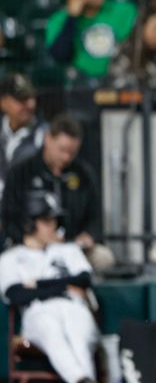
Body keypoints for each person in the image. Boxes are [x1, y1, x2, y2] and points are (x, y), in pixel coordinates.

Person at [0, 190, 105, 383]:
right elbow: (15, 294)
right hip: (39, 312)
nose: (53, 226)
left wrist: (38, 284)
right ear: (29, 224)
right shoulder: (11, 258)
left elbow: (85, 279)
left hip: (74, 306)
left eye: (54, 220)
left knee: (79, 335)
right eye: (46, 220)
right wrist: (64, 286)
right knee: (52, 330)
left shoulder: (67, 250)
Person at [1, 115, 114, 271]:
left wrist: (89, 236)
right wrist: (26, 239)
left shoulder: (83, 174)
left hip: (72, 246)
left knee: (103, 258)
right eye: (62, 150)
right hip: (29, 247)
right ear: (48, 139)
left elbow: (95, 216)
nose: (66, 157)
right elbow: (8, 216)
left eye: (72, 152)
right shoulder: (22, 171)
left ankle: (82, 292)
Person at [46, 0, 137, 79]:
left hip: (122, 79)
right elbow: (60, 55)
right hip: (82, 85)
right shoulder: (58, 21)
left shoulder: (125, 10)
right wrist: (72, 17)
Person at [0, 74, 46, 204]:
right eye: (22, 99)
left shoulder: (45, 137)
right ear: (3, 102)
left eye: (32, 98)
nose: (30, 104)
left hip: (26, 216)